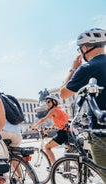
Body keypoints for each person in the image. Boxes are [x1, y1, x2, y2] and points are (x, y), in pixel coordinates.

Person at [60, 28, 106, 182]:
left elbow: (63, 93)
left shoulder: (88, 67)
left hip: (100, 131)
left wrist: (73, 68)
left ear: (85, 48)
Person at [0, 79, 23, 181]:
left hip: (3, 132)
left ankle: (2, 179)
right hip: (17, 134)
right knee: (14, 157)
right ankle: (21, 179)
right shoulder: (8, 98)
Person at [31, 94, 69, 165]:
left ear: (54, 102)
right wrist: (51, 127)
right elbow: (62, 121)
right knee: (70, 150)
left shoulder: (53, 110)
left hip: (63, 133)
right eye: (46, 102)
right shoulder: (60, 110)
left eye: (48, 102)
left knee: (47, 147)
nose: (47, 104)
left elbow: (43, 119)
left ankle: (55, 166)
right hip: (69, 132)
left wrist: (34, 126)